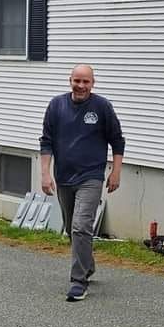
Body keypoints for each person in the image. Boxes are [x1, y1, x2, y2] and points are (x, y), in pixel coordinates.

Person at [40, 63, 125, 302]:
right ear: (70, 81)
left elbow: (117, 142)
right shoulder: (56, 106)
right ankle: (87, 265)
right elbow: (46, 142)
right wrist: (45, 173)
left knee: (80, 226)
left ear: (92, 83)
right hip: (64, 177)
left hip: (91, 176)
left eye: (86, 81)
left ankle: (79, 281)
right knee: (71, 229)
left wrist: (115, 172)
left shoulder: (102, 107)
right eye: (77, 81)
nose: (81, 86)